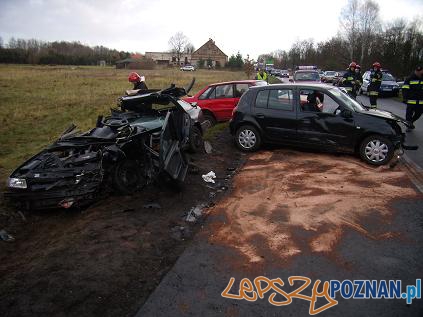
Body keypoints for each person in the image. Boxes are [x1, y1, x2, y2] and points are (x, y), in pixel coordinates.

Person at [402, 65, 423, 131]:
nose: (418, 72)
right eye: (417, 71)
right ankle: (408, 126)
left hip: (420, 101)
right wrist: (405, 98)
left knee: (418, 114)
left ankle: (411, 122)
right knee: (409, 114)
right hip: (411, 100)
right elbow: (405, 88)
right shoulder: (409, 78)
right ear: (415, 71)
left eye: (420, 71)